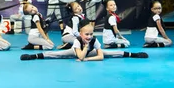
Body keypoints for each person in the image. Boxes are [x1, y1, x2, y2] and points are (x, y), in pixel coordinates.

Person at [20, 19, 148, 61]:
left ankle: (134, 54)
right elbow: (80, 57)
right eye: (86, 34)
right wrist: (85, 49)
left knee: (109, 53)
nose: (89, 36)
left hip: (87, 53)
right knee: (58, 54)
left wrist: (88, 58)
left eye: (91, 34)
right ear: (80, 34)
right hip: (76, 51)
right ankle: (34, 56)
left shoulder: (94, 40)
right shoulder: (77, 40)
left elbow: (101, 56)